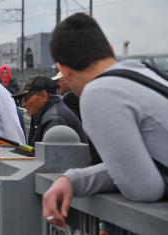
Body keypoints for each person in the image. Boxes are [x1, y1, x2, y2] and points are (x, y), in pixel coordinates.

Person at [42, 13, 168, 229]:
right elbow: (131, 169)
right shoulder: (140, 71)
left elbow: (143, 188)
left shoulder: (99, 93)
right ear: (109, 48)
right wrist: (73, 180)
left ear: (64, 71)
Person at [12, 76, 88, 148]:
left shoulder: (54, 119)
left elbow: (49, 156)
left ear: (43, 96)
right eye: (21, 100)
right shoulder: (43, 113)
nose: (23, 104)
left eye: (26, 98)